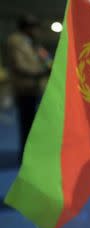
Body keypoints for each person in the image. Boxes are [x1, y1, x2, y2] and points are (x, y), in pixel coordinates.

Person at [6, 14, 51, 159]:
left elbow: (42, 60)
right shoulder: (16, 41)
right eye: (35, 27)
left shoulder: (32, 43)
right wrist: (41, 72)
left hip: (34, 89)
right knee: (27, 125)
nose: (37, 31)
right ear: (28, 27)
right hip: (25, 90)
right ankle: (26, 157)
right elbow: (20, 66)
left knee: (34, 125)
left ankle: (31, 154)